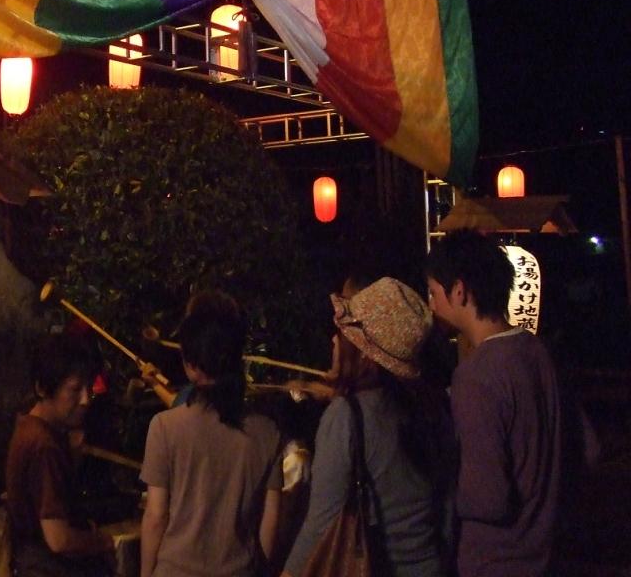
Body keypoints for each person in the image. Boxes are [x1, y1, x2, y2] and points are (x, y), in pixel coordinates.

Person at [282, 277, 452, 577]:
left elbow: (321, 524)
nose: (335, 340)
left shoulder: (347, 416)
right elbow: (447, 509)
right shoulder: (432, 406)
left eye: (342, 333)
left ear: (363, 352)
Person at [426, 229, 561, 576]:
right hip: (546, 554)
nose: (432, 306)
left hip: (496, 559)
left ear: (459, 290)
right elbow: (587, 450)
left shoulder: (475, 377)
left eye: (434, 293)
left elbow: (488, 499)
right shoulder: (539, 352)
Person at [140, 290, 283, 577]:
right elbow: (270, 522)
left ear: (190, 365)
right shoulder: (268, 433)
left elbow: (156, 516)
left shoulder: (164, 427)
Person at [5, 333, 115, 577]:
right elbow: (59, 539)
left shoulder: (27, 425)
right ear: (42, 388)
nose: (85, 400)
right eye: (74, 390)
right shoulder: (44, 445)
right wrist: (104, 541)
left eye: (88, 388)